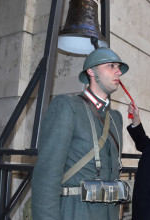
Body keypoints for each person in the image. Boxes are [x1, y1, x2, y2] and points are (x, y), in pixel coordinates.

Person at [31, 47, 129, 220]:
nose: (118, 72)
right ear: (91, 71)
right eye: (111, 66)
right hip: (75, 212)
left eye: (119, 67)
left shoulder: (115, 118)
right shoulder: (68, 107)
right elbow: (46, 179)